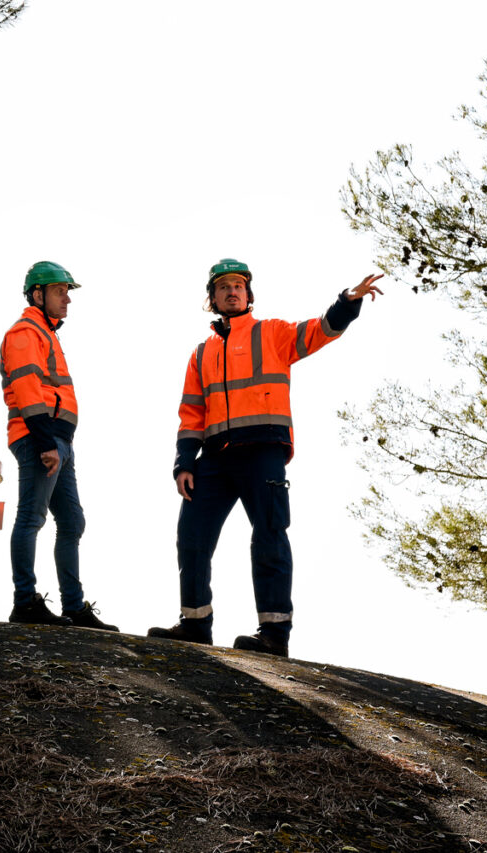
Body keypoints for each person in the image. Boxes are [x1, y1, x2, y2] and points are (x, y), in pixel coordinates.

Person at [148, 258, 385, 657]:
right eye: (223, 287)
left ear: (248, 294)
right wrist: (184, 462)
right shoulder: (201, 353)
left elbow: (320, 330)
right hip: (215, 458)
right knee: (191, 537)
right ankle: (194, 625)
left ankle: (274, 634)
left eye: (238, 285)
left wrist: (348, 300)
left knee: (270, 537)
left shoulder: (271, 334)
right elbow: (191, 413)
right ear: (212, 298)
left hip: (263, 452)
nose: (232, 291)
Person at [0, 260, 116, 630]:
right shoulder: (24, 333)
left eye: (67, 292)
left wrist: (59, 442)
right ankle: (25, 602)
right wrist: (47, 442)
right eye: (59, 291)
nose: (67, 299)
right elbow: (28, 391)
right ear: (38, 294)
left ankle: (74, 607)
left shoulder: (45, 334)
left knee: (71, 520)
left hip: (58, 441)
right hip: (40, 439)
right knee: (32, 517)